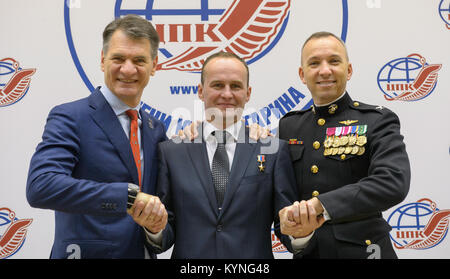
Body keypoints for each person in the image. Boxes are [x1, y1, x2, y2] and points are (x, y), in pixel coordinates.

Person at [26, 15, 168, 259]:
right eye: (118, 58)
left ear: (154, 65)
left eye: (139, 60)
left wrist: (156, 229)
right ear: (103, 61)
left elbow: (162, 208)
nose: (128, 69)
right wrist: (126, 197)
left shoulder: (156, 129)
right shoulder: (71, 116)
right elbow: (41, 186)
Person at [146, 52, 298, 259]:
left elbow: (286, 227)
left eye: (235, 86)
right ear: (201, 91)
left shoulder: (272, 150)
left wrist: (301, 232)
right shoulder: (171, 151)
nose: (227, 94)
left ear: (248, 93)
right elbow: (165, 229)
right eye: (217, 85)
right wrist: (155, 229)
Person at [278, 31, 410, 259]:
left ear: (349, 70)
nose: (325, 70)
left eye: (334, 61)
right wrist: (299, 235)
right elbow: (282, 196)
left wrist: (320, 205)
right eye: (314, 63)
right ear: (302, 74)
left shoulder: (376, 120)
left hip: (366, 251)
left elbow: (392, 182)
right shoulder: (289, 126)